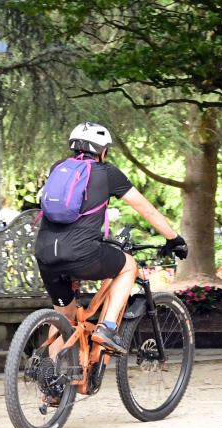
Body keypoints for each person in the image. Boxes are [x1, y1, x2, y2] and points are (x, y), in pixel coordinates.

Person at [35, 121, 187, 354]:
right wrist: (173, 238)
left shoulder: (58, 168)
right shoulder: (108, 174)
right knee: (128, 266)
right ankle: (107, 328)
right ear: (102, 150)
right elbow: (145, 209)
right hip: (81, 254)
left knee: (61, 318)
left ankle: (50, 383)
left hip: (46, 252)